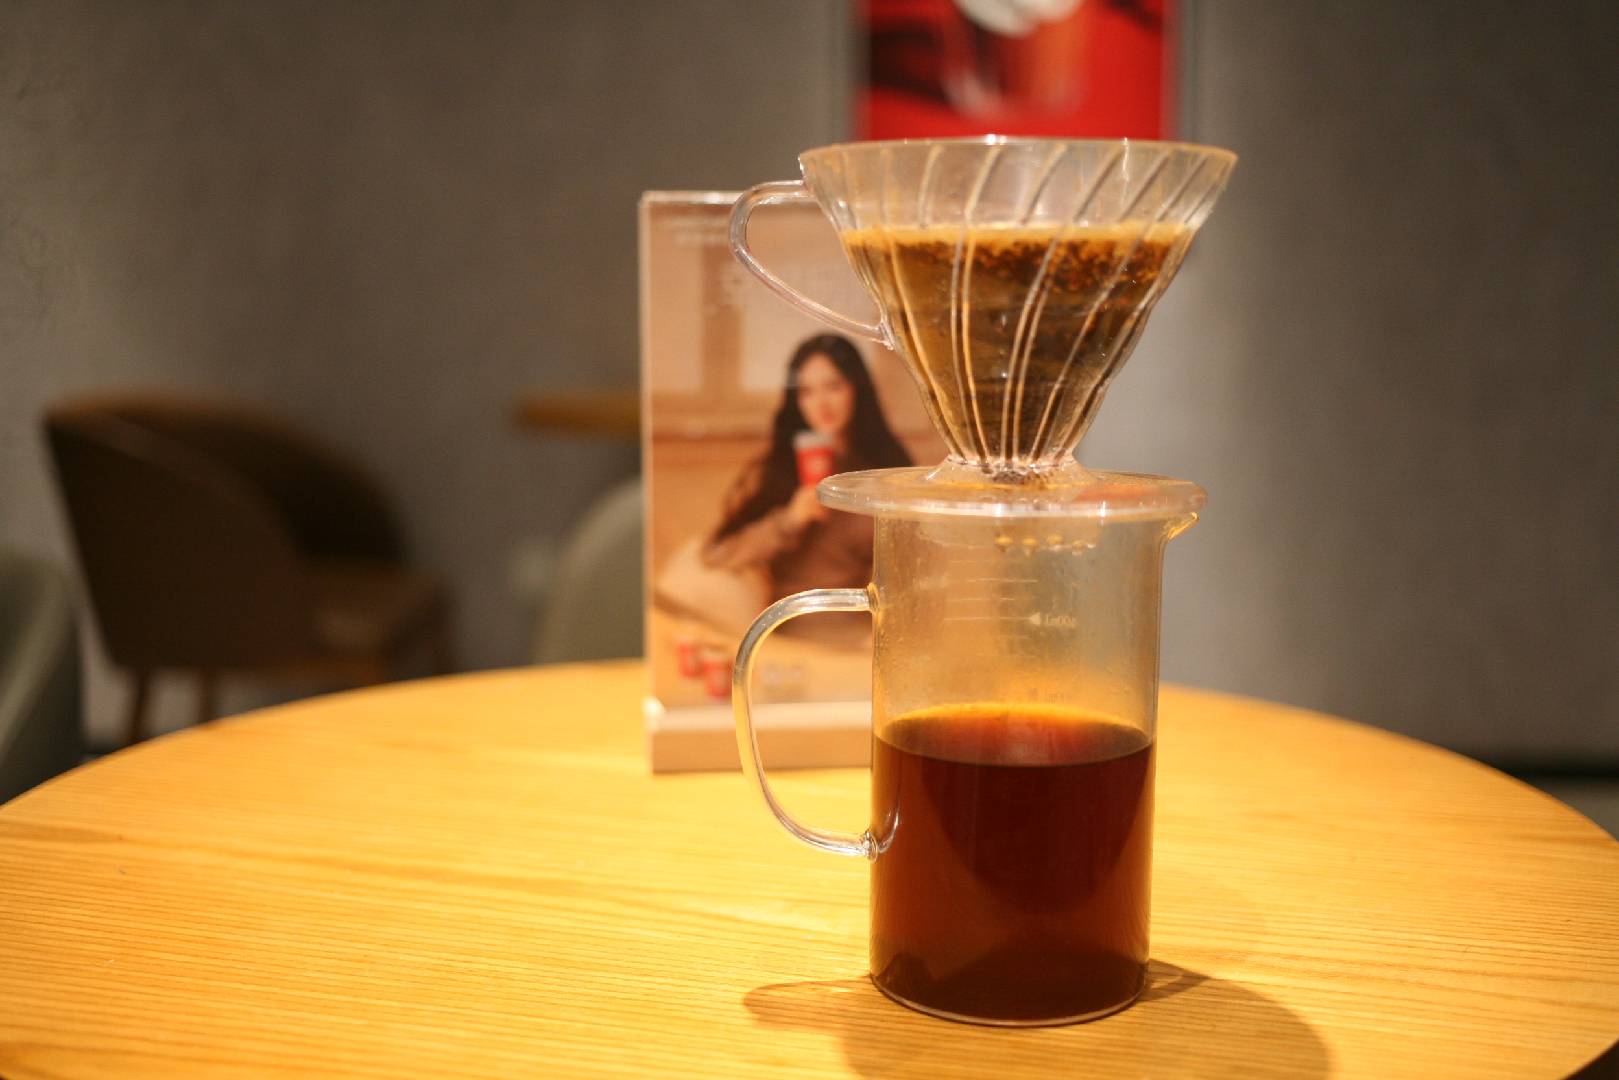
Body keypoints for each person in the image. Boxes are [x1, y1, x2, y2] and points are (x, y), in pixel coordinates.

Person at [701, 334, 911, 617]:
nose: (821, 403)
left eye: (833, 386)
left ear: (856, 389)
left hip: (866, 623)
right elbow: (718, 556)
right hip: (790, 623)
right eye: (807, 392)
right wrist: (790, 520)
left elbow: (910, 568)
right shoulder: (781, 467)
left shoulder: (888, 469)